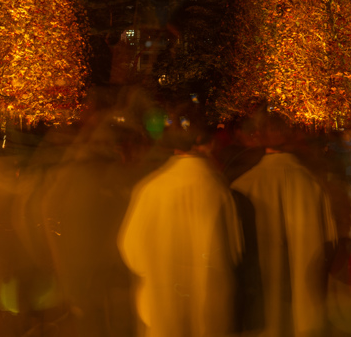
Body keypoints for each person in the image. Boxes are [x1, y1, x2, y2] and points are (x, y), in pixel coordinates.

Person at [118, 119, 244, 337]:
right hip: (210, 310)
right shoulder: (219, 190)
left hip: (162, 305)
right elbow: (235, 251)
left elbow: (130, 249)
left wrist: (156, 273)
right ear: (208, 143)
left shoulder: (151, 188)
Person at [231, 112, 337, 337]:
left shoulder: (243, 186)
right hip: (307, 311)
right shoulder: (313, 185)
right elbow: (330, 245)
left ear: (259, 137)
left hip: (262, 310)